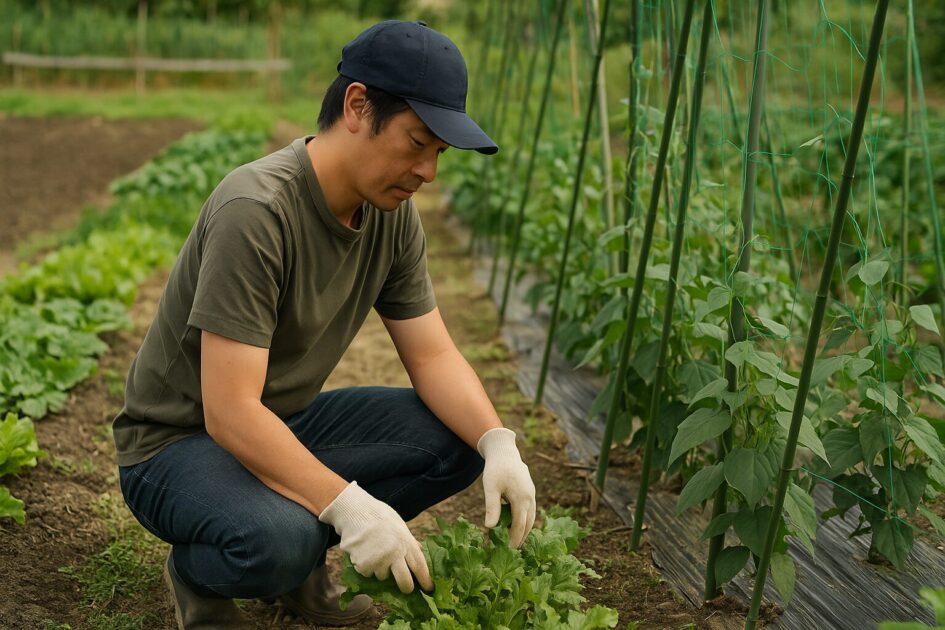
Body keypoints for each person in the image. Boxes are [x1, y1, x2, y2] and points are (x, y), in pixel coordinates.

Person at [110, 19, 537, 629]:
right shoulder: (256, 210)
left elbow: (434, 356)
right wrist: (349, 506)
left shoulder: (391, 214)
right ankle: (201, 573)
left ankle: (300, 555)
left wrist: (497, 442)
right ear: (358, 106)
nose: (428, 172)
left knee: (454, 441)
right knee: (279, 540)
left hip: (277, 422)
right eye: (418, 142)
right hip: (175, 446)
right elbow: (228, 411)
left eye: (439, 154)